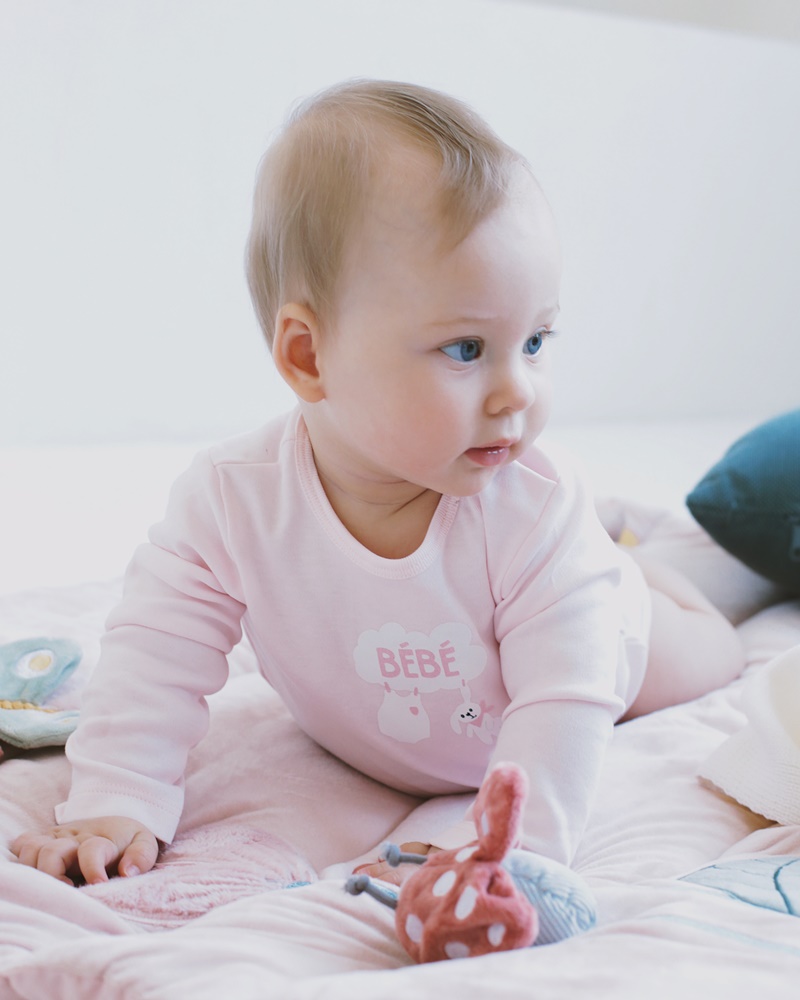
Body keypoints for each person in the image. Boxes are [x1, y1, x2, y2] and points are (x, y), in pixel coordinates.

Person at [12, 80, 743, 892]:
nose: (518, 391)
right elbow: (154, 652)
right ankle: (615, 554)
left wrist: (506, 850)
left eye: (536, 340)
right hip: (433, 685)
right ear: (308, 356)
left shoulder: (530, 508)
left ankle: (650, 567)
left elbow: (567, 703)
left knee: (709, 647)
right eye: (466, 349)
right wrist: (117, 798)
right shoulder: (233, 502)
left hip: (601, 634)